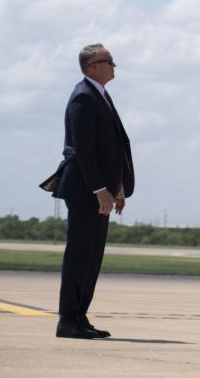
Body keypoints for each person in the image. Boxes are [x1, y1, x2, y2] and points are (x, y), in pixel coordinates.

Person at [51, 44, 135, 339]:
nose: (114, 65)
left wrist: (118, 188)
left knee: (92, 256)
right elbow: (83, 150)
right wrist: (100, 190)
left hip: (100, 191)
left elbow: (109, 150)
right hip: (86, 190)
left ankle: (79, 317)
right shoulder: (84, 97)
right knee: (80, 255)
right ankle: (68, 320)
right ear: (91, 67)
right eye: (108, 60)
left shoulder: (100, 96)